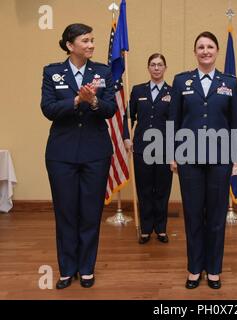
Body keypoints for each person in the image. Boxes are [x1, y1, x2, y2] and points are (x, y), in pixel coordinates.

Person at [41, 23, 117, 289]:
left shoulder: (103, 72)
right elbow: (48, 108)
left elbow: (110, 109)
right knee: (65, 212)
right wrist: (76, 101)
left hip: (95, 153)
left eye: (93, 40)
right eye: (85, 40)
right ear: (70, 45)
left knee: (90, 212)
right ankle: (67, 269)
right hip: (61, 153)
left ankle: (86, 269)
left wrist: (93, 101)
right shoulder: (52, 72)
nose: (91, 45)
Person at [169, 31, 237, 289]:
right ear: (195, 51)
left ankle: (213, 269)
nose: (205, 51)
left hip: (220, 159)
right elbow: (173, 121)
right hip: (188, 157)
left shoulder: (229, 82)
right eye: (200, 46)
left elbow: (235, 122)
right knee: (192, 214)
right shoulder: (181, 81)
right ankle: (193, 269)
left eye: (210, 46)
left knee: (215, 215)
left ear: (217, 50)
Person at [123, 53, 173, 244]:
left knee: (161, 190)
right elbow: (128, 117)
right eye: (153, 64)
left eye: (160, 64)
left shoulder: (173, 92)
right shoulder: (137, 91)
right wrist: (127, 137)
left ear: (165, 68)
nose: (157, 68)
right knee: (144, 190)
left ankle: (160, 229)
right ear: (148, 68)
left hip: (164, 149)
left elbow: (177, 122)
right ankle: (145, 229)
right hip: (142, 149)